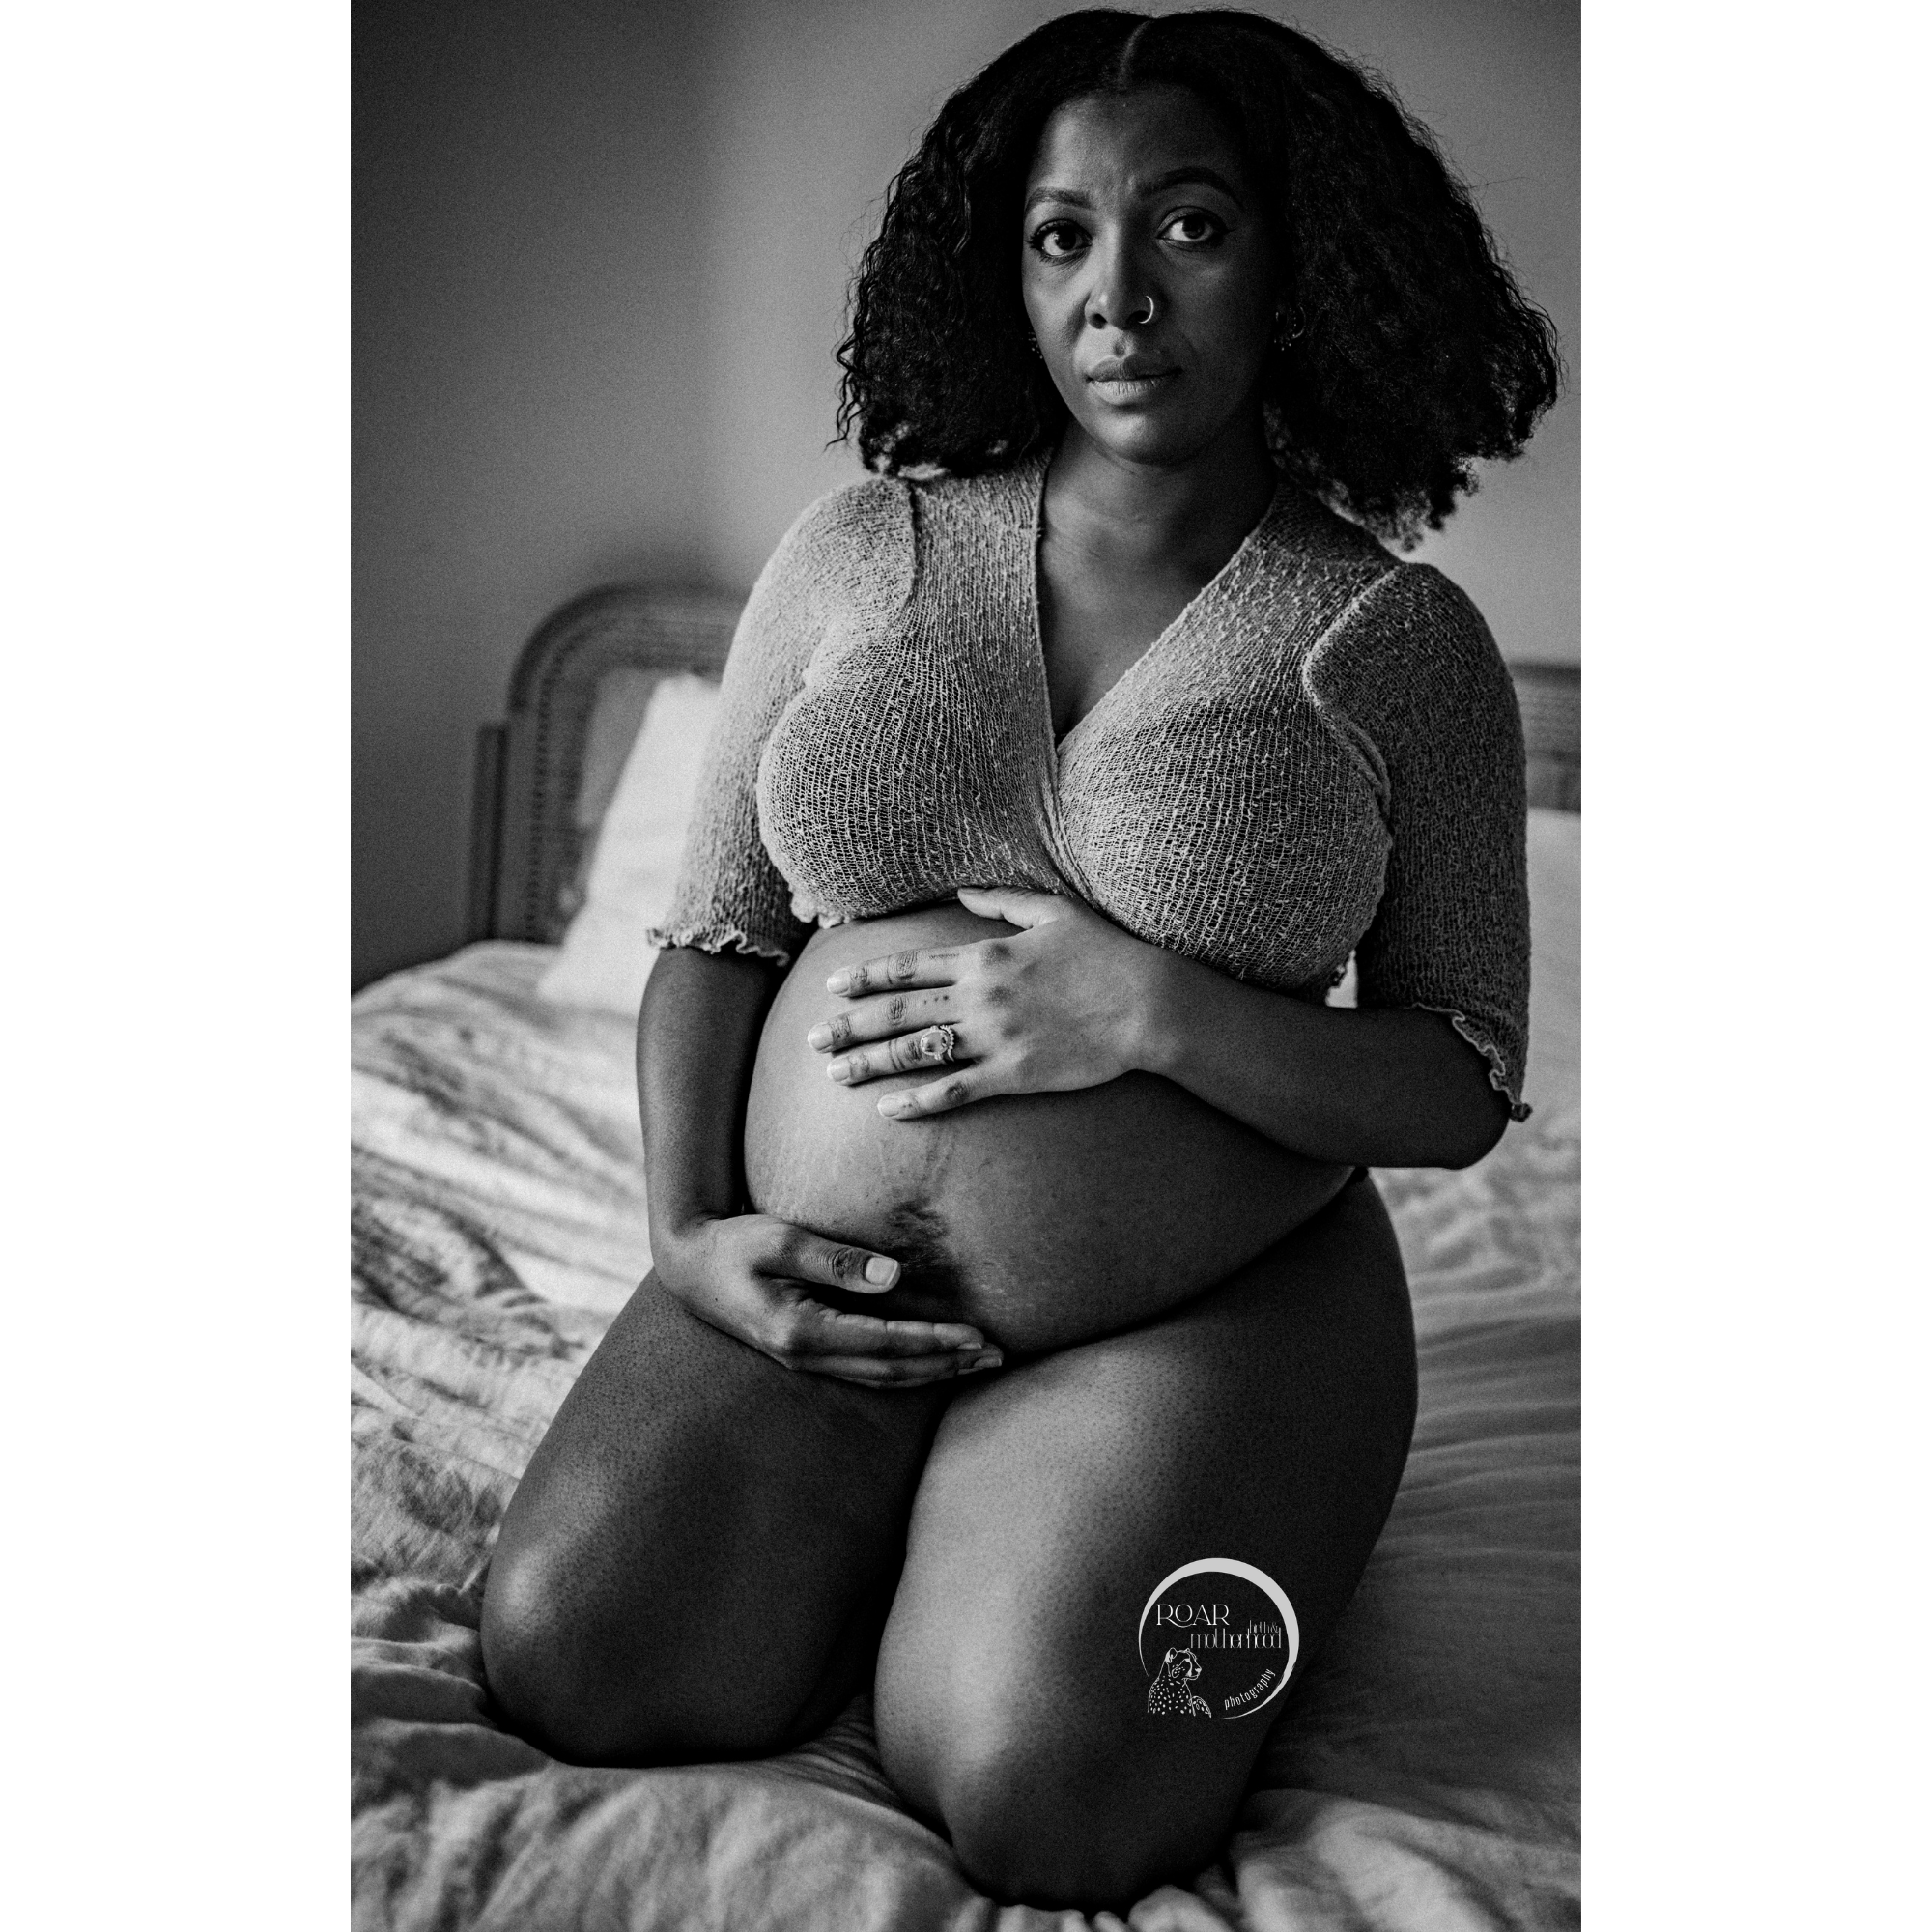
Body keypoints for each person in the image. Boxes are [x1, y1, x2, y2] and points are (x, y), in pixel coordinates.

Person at [481, 8, 1560, 1911]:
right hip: (822, 1284)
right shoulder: (852, 553)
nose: (1119, 298)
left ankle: (1180, 1499)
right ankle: (916, 1500)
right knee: (574, 1654)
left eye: (1191, 228)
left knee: (1058, 1796)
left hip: (1207, 1309)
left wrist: (1145, 1007)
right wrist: (685, 1235)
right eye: (1062, 236)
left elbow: (1459, 1077)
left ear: (1302, 259)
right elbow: (716, 935)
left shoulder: (1395, 642)